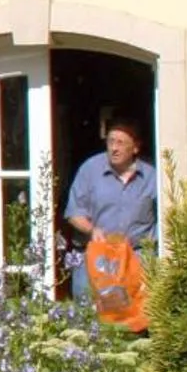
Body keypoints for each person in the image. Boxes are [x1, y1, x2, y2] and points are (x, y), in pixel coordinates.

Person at [64, 117, 158, 302]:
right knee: (88, 319)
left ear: (135, 148)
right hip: (96, 255)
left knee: (138, 319)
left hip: (137, 256)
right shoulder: (90, 169)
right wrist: (92, 229)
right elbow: (74, 213)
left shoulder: (152, 175)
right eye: (110, 141)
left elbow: (166, 214)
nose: (114, 148)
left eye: (121, 143)